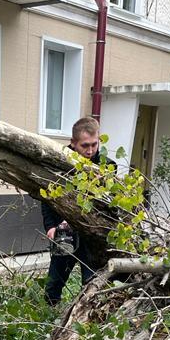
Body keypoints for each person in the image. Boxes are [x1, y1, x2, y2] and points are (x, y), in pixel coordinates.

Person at [42, 117, 116, 306]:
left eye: (94, 144)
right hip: (64, 233)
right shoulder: (58, 162)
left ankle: (86, 320)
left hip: (91, 236)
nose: (90, 151)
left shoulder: (108, 167)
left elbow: (108, 204)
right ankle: (49, 318)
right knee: (53, 286)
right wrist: (50, 226)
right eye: (85, 146)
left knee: (91, 285)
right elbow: (46, 197)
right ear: (73, 143)